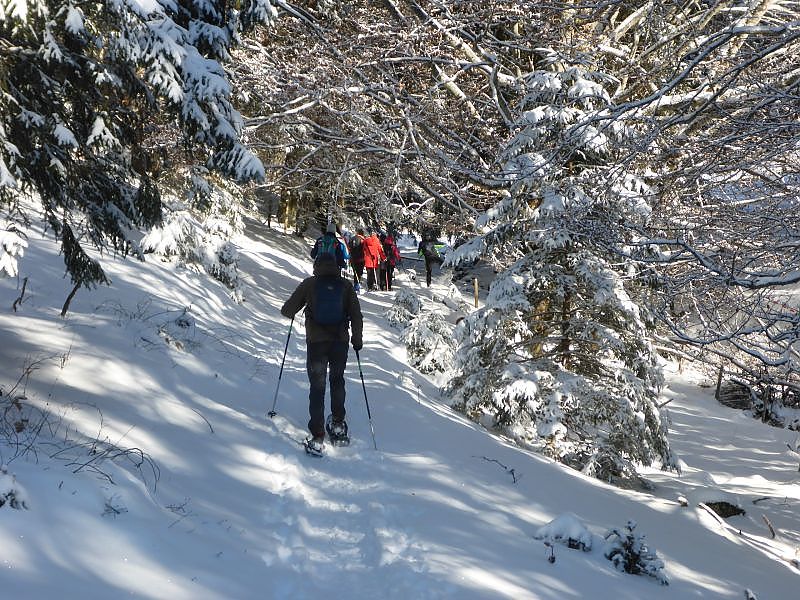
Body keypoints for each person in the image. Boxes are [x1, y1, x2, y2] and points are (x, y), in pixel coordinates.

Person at [280, 253, 363, 454]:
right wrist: (357, 340)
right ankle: (337, 423)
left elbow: (287, 310)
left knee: (317, 386)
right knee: (337, 381)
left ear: (317, 266)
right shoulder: (345, 286)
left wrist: (300, 309)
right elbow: (356, 315)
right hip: (340, 342)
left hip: (316, 342)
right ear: (336, 266)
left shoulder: (310, 284)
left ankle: (317, 432)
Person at [348, 227, 367, 292]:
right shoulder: (363, 240)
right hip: (361, 259)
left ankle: (356, 283)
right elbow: (365, 249)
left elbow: (349, 247)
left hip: (353, 258)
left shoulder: (352, 239)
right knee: (359, 272)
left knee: (355, 271)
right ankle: (357, 284)